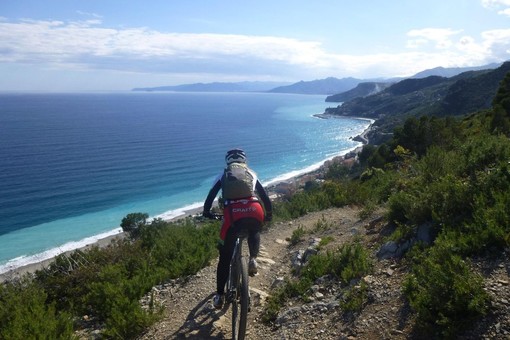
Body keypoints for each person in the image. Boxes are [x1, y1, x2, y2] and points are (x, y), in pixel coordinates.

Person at [203, 148, 272, 309]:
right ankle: (253, 259)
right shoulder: (251, 173)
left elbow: (211, 195)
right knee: (255, 229)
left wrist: (207, 212)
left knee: (225, 258)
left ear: (228, 161)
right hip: (255, 210)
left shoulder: (223, 174)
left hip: (233, 216)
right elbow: (265, 196)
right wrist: (268, 214)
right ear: (244, 161)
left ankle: (219, 296)